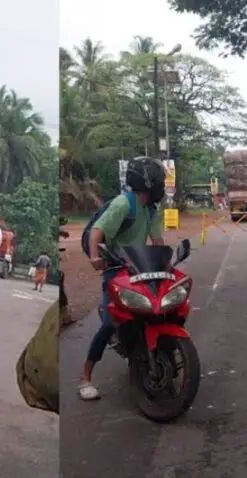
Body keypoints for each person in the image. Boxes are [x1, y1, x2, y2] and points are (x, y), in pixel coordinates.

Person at [79, 157, 166, 401]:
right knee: (109, 323)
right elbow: (98, 231)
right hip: (115, 267)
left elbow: (157, 241)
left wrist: (165, 262)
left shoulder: (150, 210)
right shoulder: (123, 204)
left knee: (158, 307)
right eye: (159, 181)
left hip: (138, 268)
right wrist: (95, 256)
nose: (161, 186)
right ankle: (85, 377)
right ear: (148, 182)